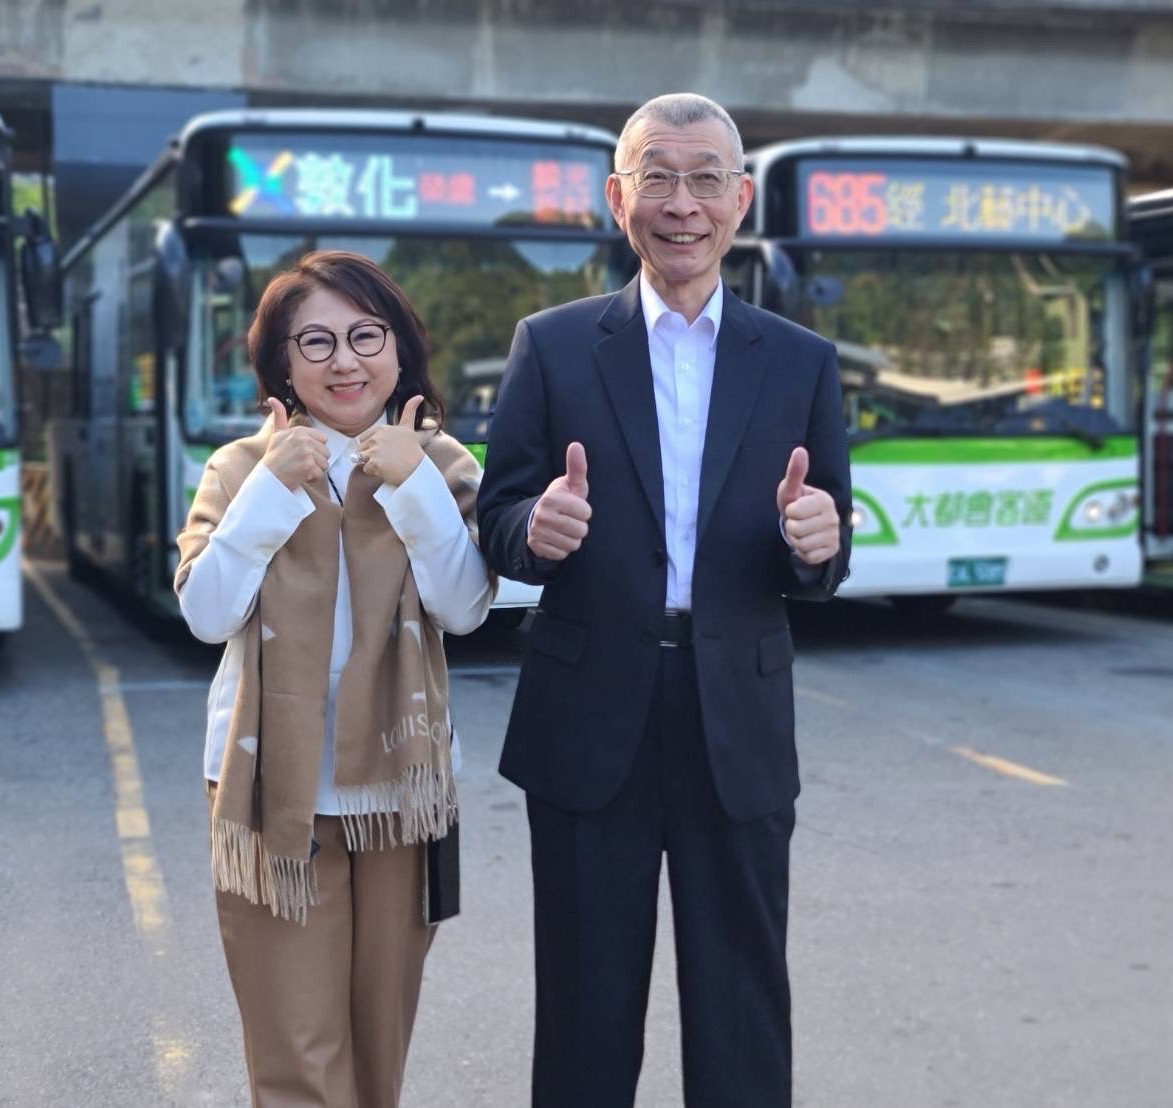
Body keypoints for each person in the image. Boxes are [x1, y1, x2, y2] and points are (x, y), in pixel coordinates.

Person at [477, 93, 852, 1107]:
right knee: (586, 1006)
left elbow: (826, 542)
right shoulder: (552, 345)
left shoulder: (801, 362)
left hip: (735, 710)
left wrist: (815, 544)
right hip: (589, 710)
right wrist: (532, 531)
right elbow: (500, 512)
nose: (679, 203)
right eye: (656, 177)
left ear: (738, 200)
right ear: (617, 198)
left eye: (702, 180)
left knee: (740, 1004)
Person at [175, 250, 494, 1108]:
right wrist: (271, 494)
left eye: (364, 336)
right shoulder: (242, 468)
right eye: (314, 342)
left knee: (377, 1045)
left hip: (401, 794)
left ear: (399, 352)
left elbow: (465, 608)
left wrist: (414, 484)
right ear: (282, 363)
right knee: (298, 1059)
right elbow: (206, 615)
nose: (343, 361)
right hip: (274, 797)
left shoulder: (442, 461)